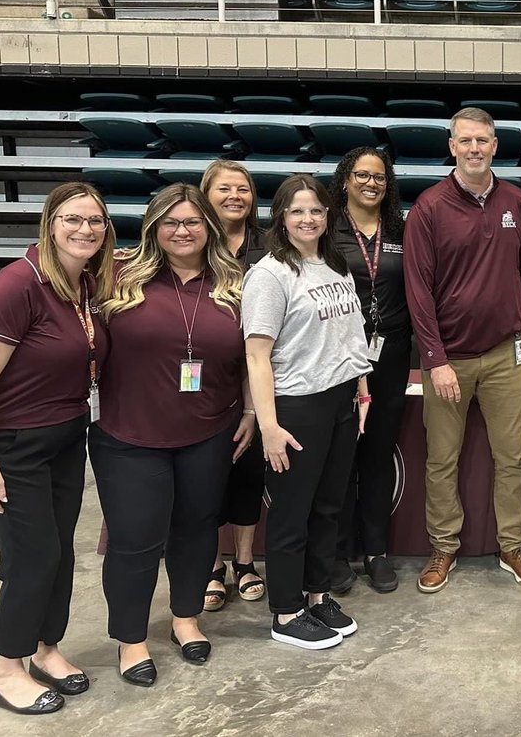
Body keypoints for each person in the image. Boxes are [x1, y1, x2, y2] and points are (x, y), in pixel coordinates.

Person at [0, 183, 114, 714]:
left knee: (61, 550)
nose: (84, 229)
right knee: (32, 556)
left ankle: (46, 648)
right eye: (72, 219)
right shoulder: (16, 285)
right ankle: (6, 669)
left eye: (95, 220)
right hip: (9, 443)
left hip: (65, 436)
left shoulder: (83, 282)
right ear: (50, 222)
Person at [91, 184, 252, 685]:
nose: (182, 231)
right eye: (170, 222)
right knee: (135, 541)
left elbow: (255, 351)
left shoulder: (237, 282)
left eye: (192, 222)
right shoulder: (116, 276)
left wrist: (249, 408)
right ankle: (131, 639)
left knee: (197, 529)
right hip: (129, 436)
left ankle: (185, 619)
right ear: (153, 227)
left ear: (209, 226)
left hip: (208, 431)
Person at [403, 106, 521, 593]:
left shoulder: (518, 202)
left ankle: (513, 545)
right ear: (451, 146)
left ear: (495, 145)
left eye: (482, 140)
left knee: (513, 458)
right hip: (450, 360)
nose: (474, 149)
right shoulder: (428, 208)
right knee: (442, 458)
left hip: (507, 354)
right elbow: (418, 291)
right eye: (465, 141)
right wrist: (435, 360)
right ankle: (443, 547)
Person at [243, 174, 372, 650]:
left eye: (316, 210)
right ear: (281, 216)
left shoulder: (335, 266)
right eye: (297, 210)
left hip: (339, 399)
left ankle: (317, 597)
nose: (308, 218)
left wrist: (360, 393)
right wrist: (269, 424)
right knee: (292, 513)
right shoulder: (271, 274)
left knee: (329, 507)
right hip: (296, 406)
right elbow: (257, 355)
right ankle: (285, 609)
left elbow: (350, 337)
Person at [328, 147, 409, 594]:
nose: (371, 183)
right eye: (362, 175)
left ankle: (376, 551)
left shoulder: (401, 228)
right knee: (342, 455)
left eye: (379, 177)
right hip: (339, 355)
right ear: (345, 179)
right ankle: (338, 552)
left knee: (378, 454)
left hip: (391, 353)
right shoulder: (327, 227)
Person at [200, 159, 267, 611]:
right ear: (206, 194)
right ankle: (208, 566)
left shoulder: (267, 247)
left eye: (242, 189)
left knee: (248, 471)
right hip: (203, 375)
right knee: (201, 477)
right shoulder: (190, 241)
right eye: (224, 188)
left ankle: (244, 561)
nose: (234, 196)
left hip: (257, 373)